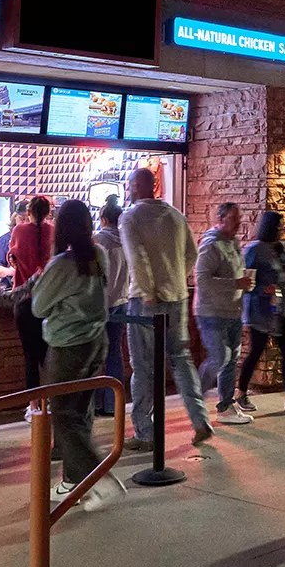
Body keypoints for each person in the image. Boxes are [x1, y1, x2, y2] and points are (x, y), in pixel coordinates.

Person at [121, 168, 210, 445]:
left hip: (145, 301)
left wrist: (149, 291)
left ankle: (144, 431)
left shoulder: (130, 217)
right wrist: (176, 279)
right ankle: (200, 419)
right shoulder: (176, 215)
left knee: (143, 366)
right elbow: (192, 253)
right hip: (178, 297)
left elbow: (137, 258)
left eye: (130, 184)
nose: (129, 189)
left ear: (136, 186)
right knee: (181, 359)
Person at [35, 199, 110, 503]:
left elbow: (39, 307)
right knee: (82, 413)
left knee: (64, 415)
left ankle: (97, 477)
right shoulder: (99, 255)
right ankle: (73, 481)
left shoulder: (61, 265)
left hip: (67, 346)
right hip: (97, 341)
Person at [239, 210, 285, 414]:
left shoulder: (282, 248)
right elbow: (246, 280)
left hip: (281, 309)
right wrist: (263, 288)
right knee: (256, 351)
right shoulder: (255, 250)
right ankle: (240, 392)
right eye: (279, 226)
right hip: (261, 310)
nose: (282, 230)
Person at [196, 202, 254, 425]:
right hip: (211, 312)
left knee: (231, 360)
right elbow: (203, 280)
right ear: (220, 219)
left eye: (239, 219)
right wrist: (235, 283)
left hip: (233, 310)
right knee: (220, 357)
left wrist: (244, 284)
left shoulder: (234, 243)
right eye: (233, 219)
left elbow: (236, 273)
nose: (238, 223)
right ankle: (194, 398)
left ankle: (226, 406)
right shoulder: (211, 245)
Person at [8, 196, 55, 390]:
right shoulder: (53, 231)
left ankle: (34, 402)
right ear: (49, 212)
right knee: (47, 354)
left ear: (28, 212)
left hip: (24, 298)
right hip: (48, 299)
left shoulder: (19, 230)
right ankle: (50, 400)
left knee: (30, 355)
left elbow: (12, 257)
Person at [95, 198, 134, 422]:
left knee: (95, 355)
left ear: (103, 219)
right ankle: (113, 404)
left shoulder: (99, 240)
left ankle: (96, 403)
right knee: (115, 353)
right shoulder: (127, 241)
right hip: (122, 302)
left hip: (100, 305)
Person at [0, 199, 28, 266]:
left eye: (28, 219)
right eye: (22, 219)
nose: (25, 223)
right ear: (15, 217)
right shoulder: (4, 241)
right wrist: (13, 270)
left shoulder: (37, 240)